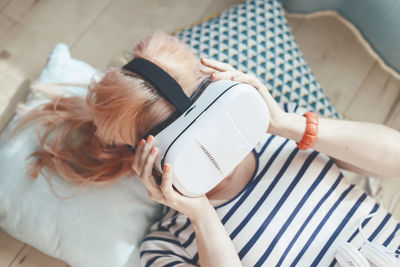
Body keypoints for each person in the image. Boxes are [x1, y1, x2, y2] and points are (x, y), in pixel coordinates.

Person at [13, 32, 400, 266]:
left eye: (208, 117)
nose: (214, 151)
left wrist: (284, 122)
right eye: (185, 143)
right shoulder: (170, 242)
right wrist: (199, 214)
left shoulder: (285, 137)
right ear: (148, 157)